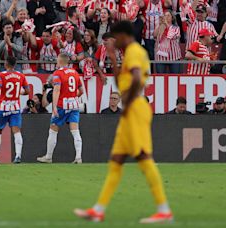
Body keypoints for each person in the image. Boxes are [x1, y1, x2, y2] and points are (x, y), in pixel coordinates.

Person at [74, 21, 173, 223]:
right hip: (129, 110)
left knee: (144, 157)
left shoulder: (136, 51)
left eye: (115, 37)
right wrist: (111, 57)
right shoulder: (128, 54)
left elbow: (137, 78)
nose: (113, 41)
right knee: (116, 161)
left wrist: (127, 99)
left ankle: (164, 210)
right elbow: (121, 83)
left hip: (135, 108)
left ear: (123, 35)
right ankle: (98, 210)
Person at [37, 53, 84, 164]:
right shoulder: (75, 73)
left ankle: (48, 157)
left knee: (53, 129)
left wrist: (54, 107)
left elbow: (57, 90)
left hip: (62, 105)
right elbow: (81, 91)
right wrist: (72, 96)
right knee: (75, 131)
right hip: (74, 105)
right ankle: (78, 157)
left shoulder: (57, 74)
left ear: (60, 61)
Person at [0, 56, 30, 164]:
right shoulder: (20, 75)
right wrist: (20, 93)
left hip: (3, 107)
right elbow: (27, 91)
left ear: (6, 63)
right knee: (16, 131)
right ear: (15, 64)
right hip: (15, 107)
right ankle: (18, 156)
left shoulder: (1, 75)